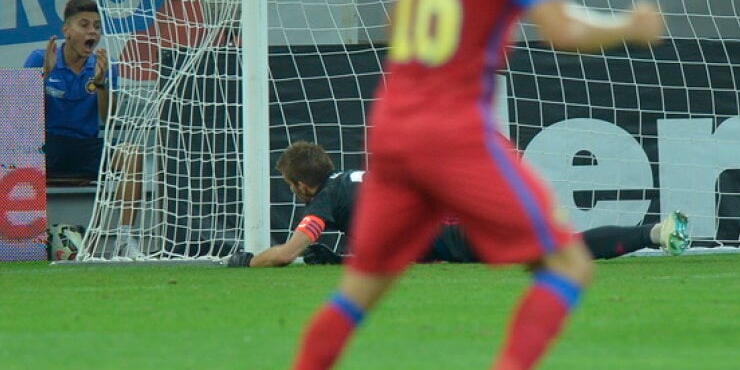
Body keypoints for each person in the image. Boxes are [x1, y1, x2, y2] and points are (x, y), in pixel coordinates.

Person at [280, 0, 665, 370]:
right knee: (567, 266)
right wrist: (629, 26)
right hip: (451, 132)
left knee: (359, 290)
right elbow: (561, 30)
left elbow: (395, 20)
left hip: (391, 127)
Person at [226, 141, 689, 268]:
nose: (293, 193)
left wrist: (250, 261)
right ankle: (654, 232)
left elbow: (286, 253)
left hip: (459, 231)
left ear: (303, 186)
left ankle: (657, 232)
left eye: (290, 186)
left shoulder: (326, 197)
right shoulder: (355, 179)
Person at [25, 0, 143, 259]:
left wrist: (101, 84)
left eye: (97, 27)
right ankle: (17, 238)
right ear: (66, 30)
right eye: (84, 25)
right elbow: (21, 114)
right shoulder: (41, 58)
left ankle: (124, 237)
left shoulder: (104, 65)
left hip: (87, 147)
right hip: (48, 145)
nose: (92, 32)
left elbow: (109, 117)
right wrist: (43, 75)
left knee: (132, 153)